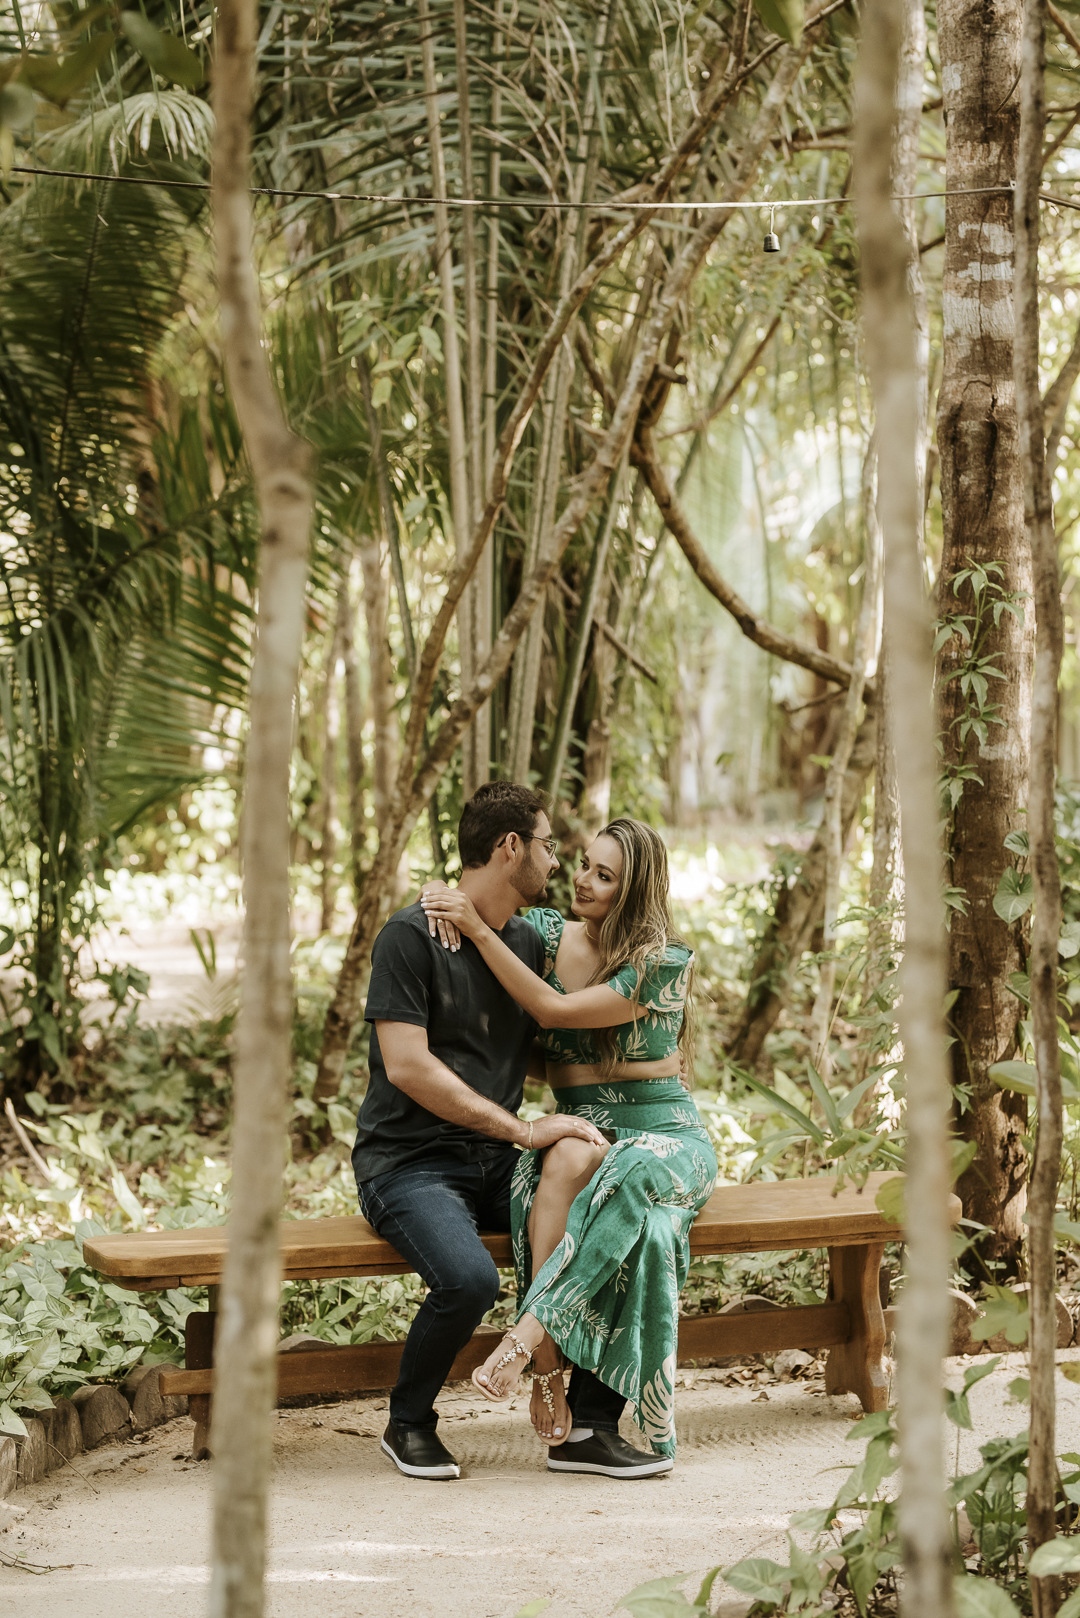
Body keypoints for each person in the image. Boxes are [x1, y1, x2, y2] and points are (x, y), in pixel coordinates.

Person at [420, 817, 718, 1476]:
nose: (582, 880)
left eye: (604, 876)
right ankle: (551, 1372)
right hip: (583, 1125)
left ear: (634, 891)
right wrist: (439, 897)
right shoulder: (546, 937)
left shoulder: (662, 963)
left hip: (665, 1139)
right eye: (584, 864)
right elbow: (483, 904)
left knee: (631, 1178)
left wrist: (474, 928)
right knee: (566, 1156)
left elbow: (553, 1013)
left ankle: (528, 1336)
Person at [352, 780, 630, 1482]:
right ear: (511, 847)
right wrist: (525, 1130)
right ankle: (408, 1422)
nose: (557, 861)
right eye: (548, 845)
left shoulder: (525, 942)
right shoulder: (409, 937)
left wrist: (647, 1067)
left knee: (616, 1222)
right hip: (409, 1163)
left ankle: (588, 1425)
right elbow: (408, 1067)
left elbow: (542, 1033)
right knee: (470, 1279)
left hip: (497, 1162)